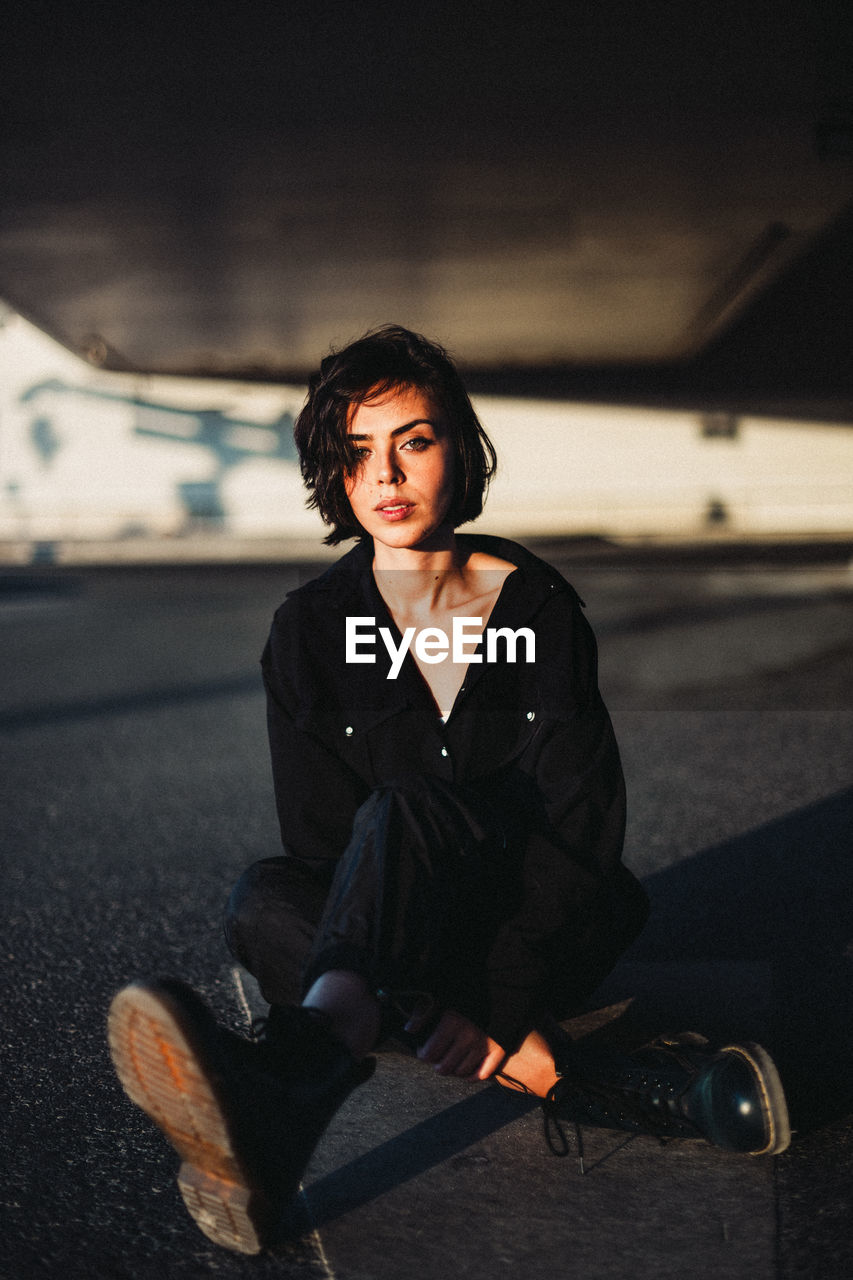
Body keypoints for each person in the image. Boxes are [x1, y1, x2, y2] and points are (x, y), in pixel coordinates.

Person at [107, 325, 791, 1255]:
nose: (385, 476)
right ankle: (530, 1069)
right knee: (265, 901)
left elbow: (582, 832)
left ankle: (294, 1075)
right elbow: (321, 851)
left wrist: (497, 1000)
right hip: (391, 925)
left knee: (402, 815)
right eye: (357, 454)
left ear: (457, 451)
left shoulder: (537, 608)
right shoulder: (307, 631)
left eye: (413, 442)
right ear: (336, 477)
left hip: (537, 914)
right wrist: (463, 1016)